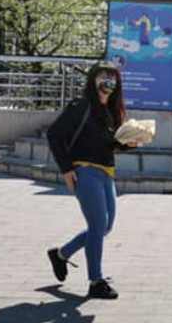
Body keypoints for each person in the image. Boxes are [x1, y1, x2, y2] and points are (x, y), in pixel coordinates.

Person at [45, 62, 134, 300]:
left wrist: (130, 143)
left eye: (112, 78)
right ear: (93, 79)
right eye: (103, 76)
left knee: (105, 226)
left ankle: (61, 255)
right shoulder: (81, 106)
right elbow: (54, 134)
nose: (108, 82)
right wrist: (66, 169)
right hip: (84, 171)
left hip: (107, 172)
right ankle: (96, 281)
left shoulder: (112, 111)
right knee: (97, 224)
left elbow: (111, 144)